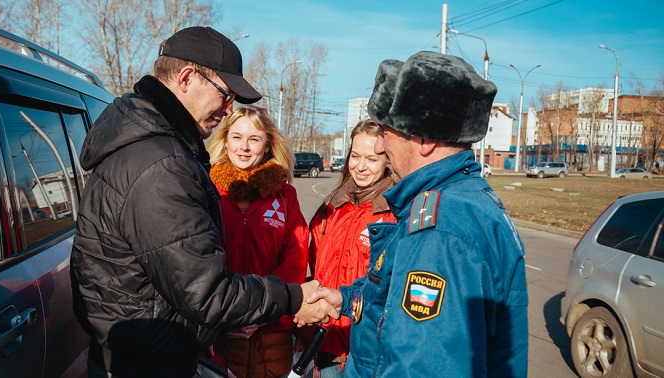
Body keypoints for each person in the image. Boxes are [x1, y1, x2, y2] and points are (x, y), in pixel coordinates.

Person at [70, 26, 333, 378]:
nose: (228, 110)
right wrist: (294, 299)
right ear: (187, 77)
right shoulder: (160, 166)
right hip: (146, 363)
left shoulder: (157, 151)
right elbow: (206, 293)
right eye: (225, 95)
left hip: (149, 350)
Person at [302, 51, 529, 377]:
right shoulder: (460, 199)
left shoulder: (439, 231)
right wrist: (344, 299)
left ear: (422, 140)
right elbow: (390, 297)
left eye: (386, 132)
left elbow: (424, 366)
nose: (379, 147)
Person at [206, 106, 309, 378]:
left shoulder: (285, 196)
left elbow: (296, 257)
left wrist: (261, 312)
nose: (244, 147)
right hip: (217, 329)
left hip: (270, 332)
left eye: (254, 139)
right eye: (237, 137)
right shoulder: (206, 189)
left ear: (267, 145)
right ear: (225, 141)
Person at [297, 119, 396, 377]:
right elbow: (312, 267)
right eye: (355, 156)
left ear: (388, 161)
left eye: (372, 159)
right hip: (323, 343)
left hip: (366, 355)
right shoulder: (331, 207)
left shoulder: (395, 214)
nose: (360, 167)